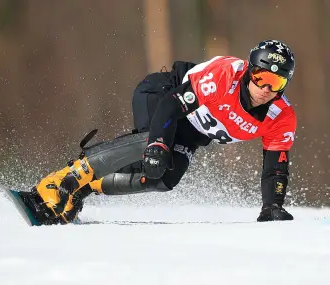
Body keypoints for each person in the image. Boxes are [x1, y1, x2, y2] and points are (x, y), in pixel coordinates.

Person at [19, 39, 297, 225]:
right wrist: (159, 144)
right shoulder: (223, 78)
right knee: (151, 149)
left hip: (191, 131)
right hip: (164, 95)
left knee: (162, 178)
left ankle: (83, 190)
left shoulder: (281, 117)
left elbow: (275, 169)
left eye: (277, 82)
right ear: (250, 72)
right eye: (261, 77)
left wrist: (272, 207)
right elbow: (171, 105)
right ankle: (60, 183)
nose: (266, 89)